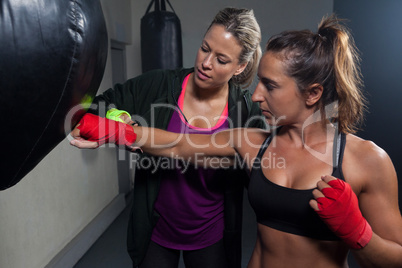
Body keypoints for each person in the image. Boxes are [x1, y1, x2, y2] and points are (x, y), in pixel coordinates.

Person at [71, 14, 402, 267]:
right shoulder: (252, 142)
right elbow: (177, 144)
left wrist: (359, 234)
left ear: (313, 94)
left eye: (270, 86)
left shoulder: (366, 160)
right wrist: (116, 130)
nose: (256, 95)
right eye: (258, 82)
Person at [75, 7, 265, 268]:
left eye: (221, 60)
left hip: (211, 234)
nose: (206, 63)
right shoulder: (159, 85)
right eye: (205, 48)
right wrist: (119, 119)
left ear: (239, 67)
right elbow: (99, 104)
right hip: (156, 231)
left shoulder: (246, 111)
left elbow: (264, 178)